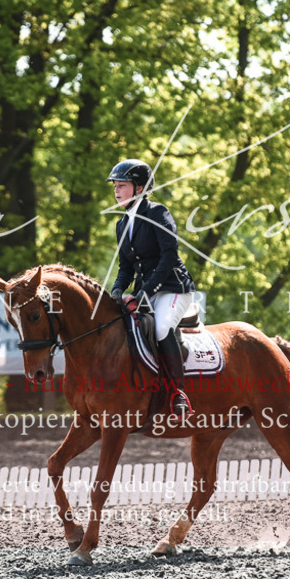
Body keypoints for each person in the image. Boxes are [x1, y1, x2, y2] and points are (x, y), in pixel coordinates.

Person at [106, 159, 196, 420]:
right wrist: (116, 290)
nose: (116, 191)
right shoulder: (121, 224)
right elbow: (126, 267)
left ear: (139, 188)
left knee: (161, 327)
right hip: (146, 291)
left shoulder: (158, 213)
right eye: (115, 186)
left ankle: (178, 393)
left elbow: (169, 256)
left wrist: (146, 290)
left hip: (173, 287)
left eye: (122, 186)